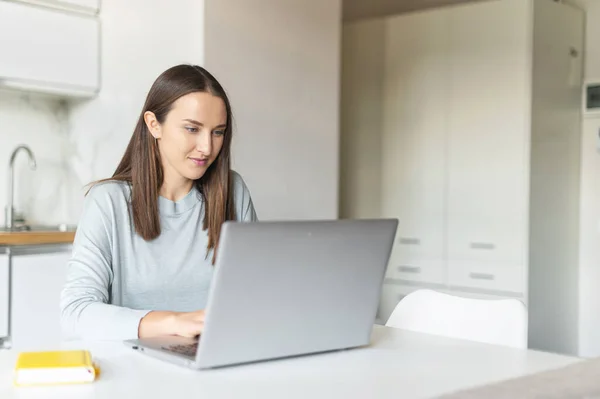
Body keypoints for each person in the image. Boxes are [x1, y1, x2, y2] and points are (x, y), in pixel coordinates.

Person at [60, 64, 257, 341]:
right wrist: (174, 322)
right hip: (135, 369)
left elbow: (253, 296)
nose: (207, 147)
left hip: (217, 360)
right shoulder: (109, 202)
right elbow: (76, 313)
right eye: (192, 129)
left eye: (218, 132)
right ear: (154, 124)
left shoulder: (233, 192)